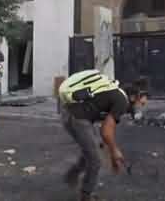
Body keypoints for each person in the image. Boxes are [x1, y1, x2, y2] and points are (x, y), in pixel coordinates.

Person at [59, 70, 148, 201]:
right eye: (142, 104)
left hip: (71, 115)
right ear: (134, 97)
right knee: (95, 160)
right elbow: (106, 131)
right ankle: (86, 196)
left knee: (92, 150)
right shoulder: (122, 101)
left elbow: (106, 131)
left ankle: (72, 174)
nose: (141, 108)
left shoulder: (116, 94)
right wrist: (115, 151)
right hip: (78, 119)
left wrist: (113, 154)